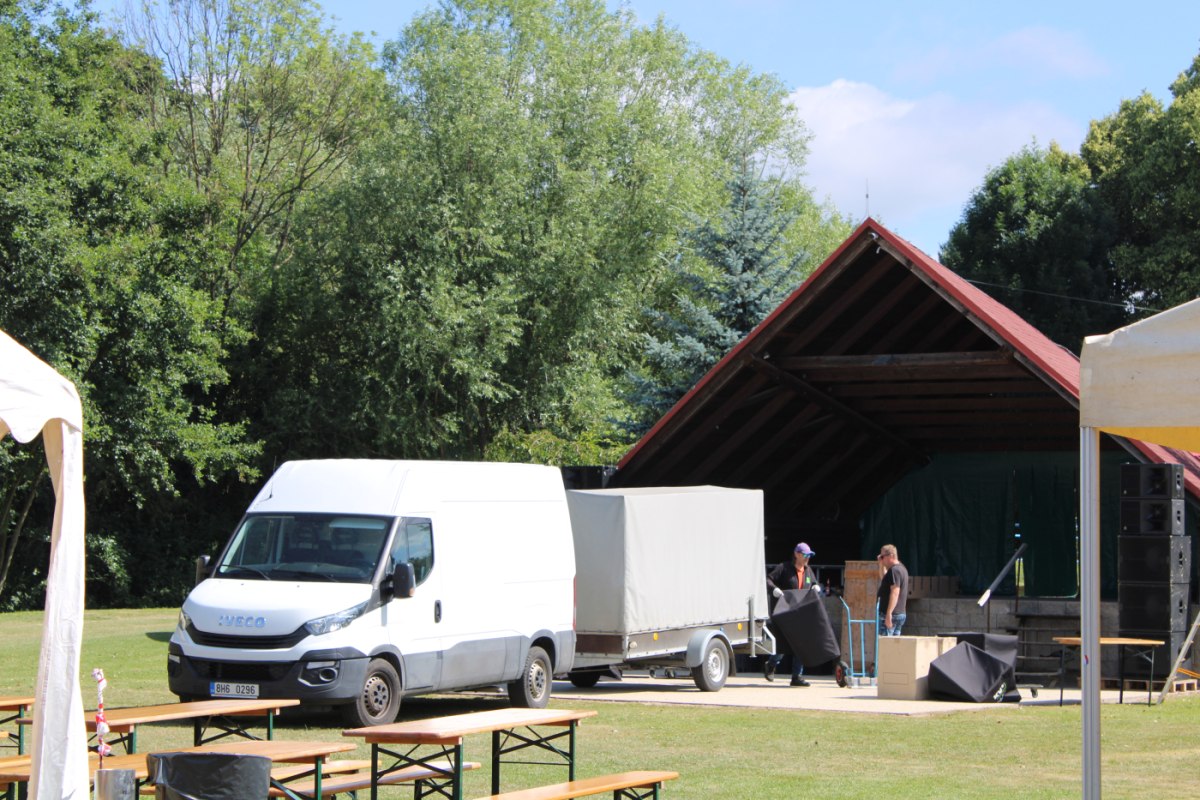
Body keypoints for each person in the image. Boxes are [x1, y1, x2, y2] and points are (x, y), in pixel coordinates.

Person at [765, 542, 821, 686]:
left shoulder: (808, 571)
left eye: (809, 555)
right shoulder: (784, 568)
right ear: (796, 554)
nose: (807, 558)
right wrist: (774, 589)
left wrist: (816, 586)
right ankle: (771, 664)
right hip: (785, 612)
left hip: (801, 613)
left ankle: (797, 676)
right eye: (805, 555)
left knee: (801, 645)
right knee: (783, 645)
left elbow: (813, 582)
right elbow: (768, 580)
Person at [876, 543, 909, 636]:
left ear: (891, 556)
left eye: (882, 557)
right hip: (898, 614)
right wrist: (881, 565)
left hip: (892, 614)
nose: (881, 559)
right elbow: (884, 579)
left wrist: (889, 613)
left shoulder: (895, 571)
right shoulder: (900, 569)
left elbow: (895, 592)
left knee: (885, 643)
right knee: (894, 643)